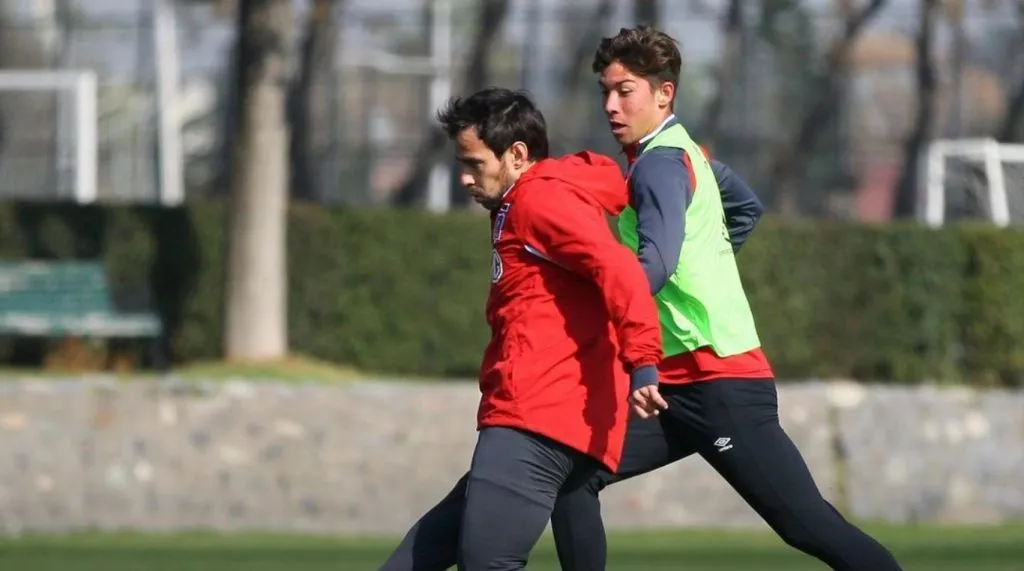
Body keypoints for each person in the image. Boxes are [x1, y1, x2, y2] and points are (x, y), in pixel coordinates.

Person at [548, 25, 905, 571]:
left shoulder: (661, 163)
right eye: (605, 91)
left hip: (720, 386)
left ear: (663, 94)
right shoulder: (686, 153)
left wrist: (610, 302)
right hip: (674, 386)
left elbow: (658, 265)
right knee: (573, 475)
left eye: (626, 91)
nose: (611, 105)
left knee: (806, 524)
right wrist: (704, 263)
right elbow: (746, 209)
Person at [377, 87, 666, 571]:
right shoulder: (519, 203)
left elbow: (617, 270)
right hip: (545, 418)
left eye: (474, 163)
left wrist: (644, 362)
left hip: (536, 419)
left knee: (486, 562)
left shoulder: (539, 201)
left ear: (516, 154)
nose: (465, 178)